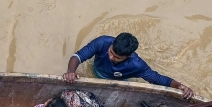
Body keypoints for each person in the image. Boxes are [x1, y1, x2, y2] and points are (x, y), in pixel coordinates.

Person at [62, 32, 195, 98]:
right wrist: (71, 71)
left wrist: (178, 85)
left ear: (128, 56)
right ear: (112, 44)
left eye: (117, 57)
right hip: (96, 71)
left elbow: (157, 79)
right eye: (111, 52)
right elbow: (78, 56)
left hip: (117, 82)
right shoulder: (102, 42)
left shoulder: (136, 65)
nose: (111, 57)